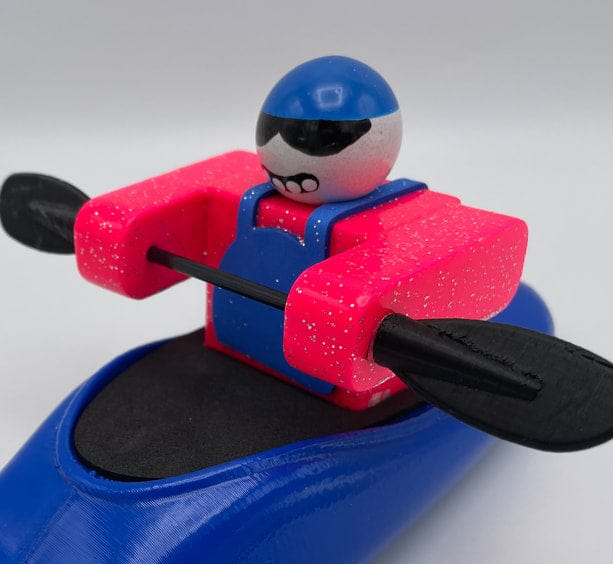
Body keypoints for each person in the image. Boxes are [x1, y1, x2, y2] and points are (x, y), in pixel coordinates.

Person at [73, 56, 527, 410]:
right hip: (233, 352)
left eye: (316, 139)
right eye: (276, 131)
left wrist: (341, 303)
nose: (288, 148)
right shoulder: (247, 195)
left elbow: (477, 235)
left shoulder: (413, 223)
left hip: (346, 393)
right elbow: (201, 186)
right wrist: (118, 227)